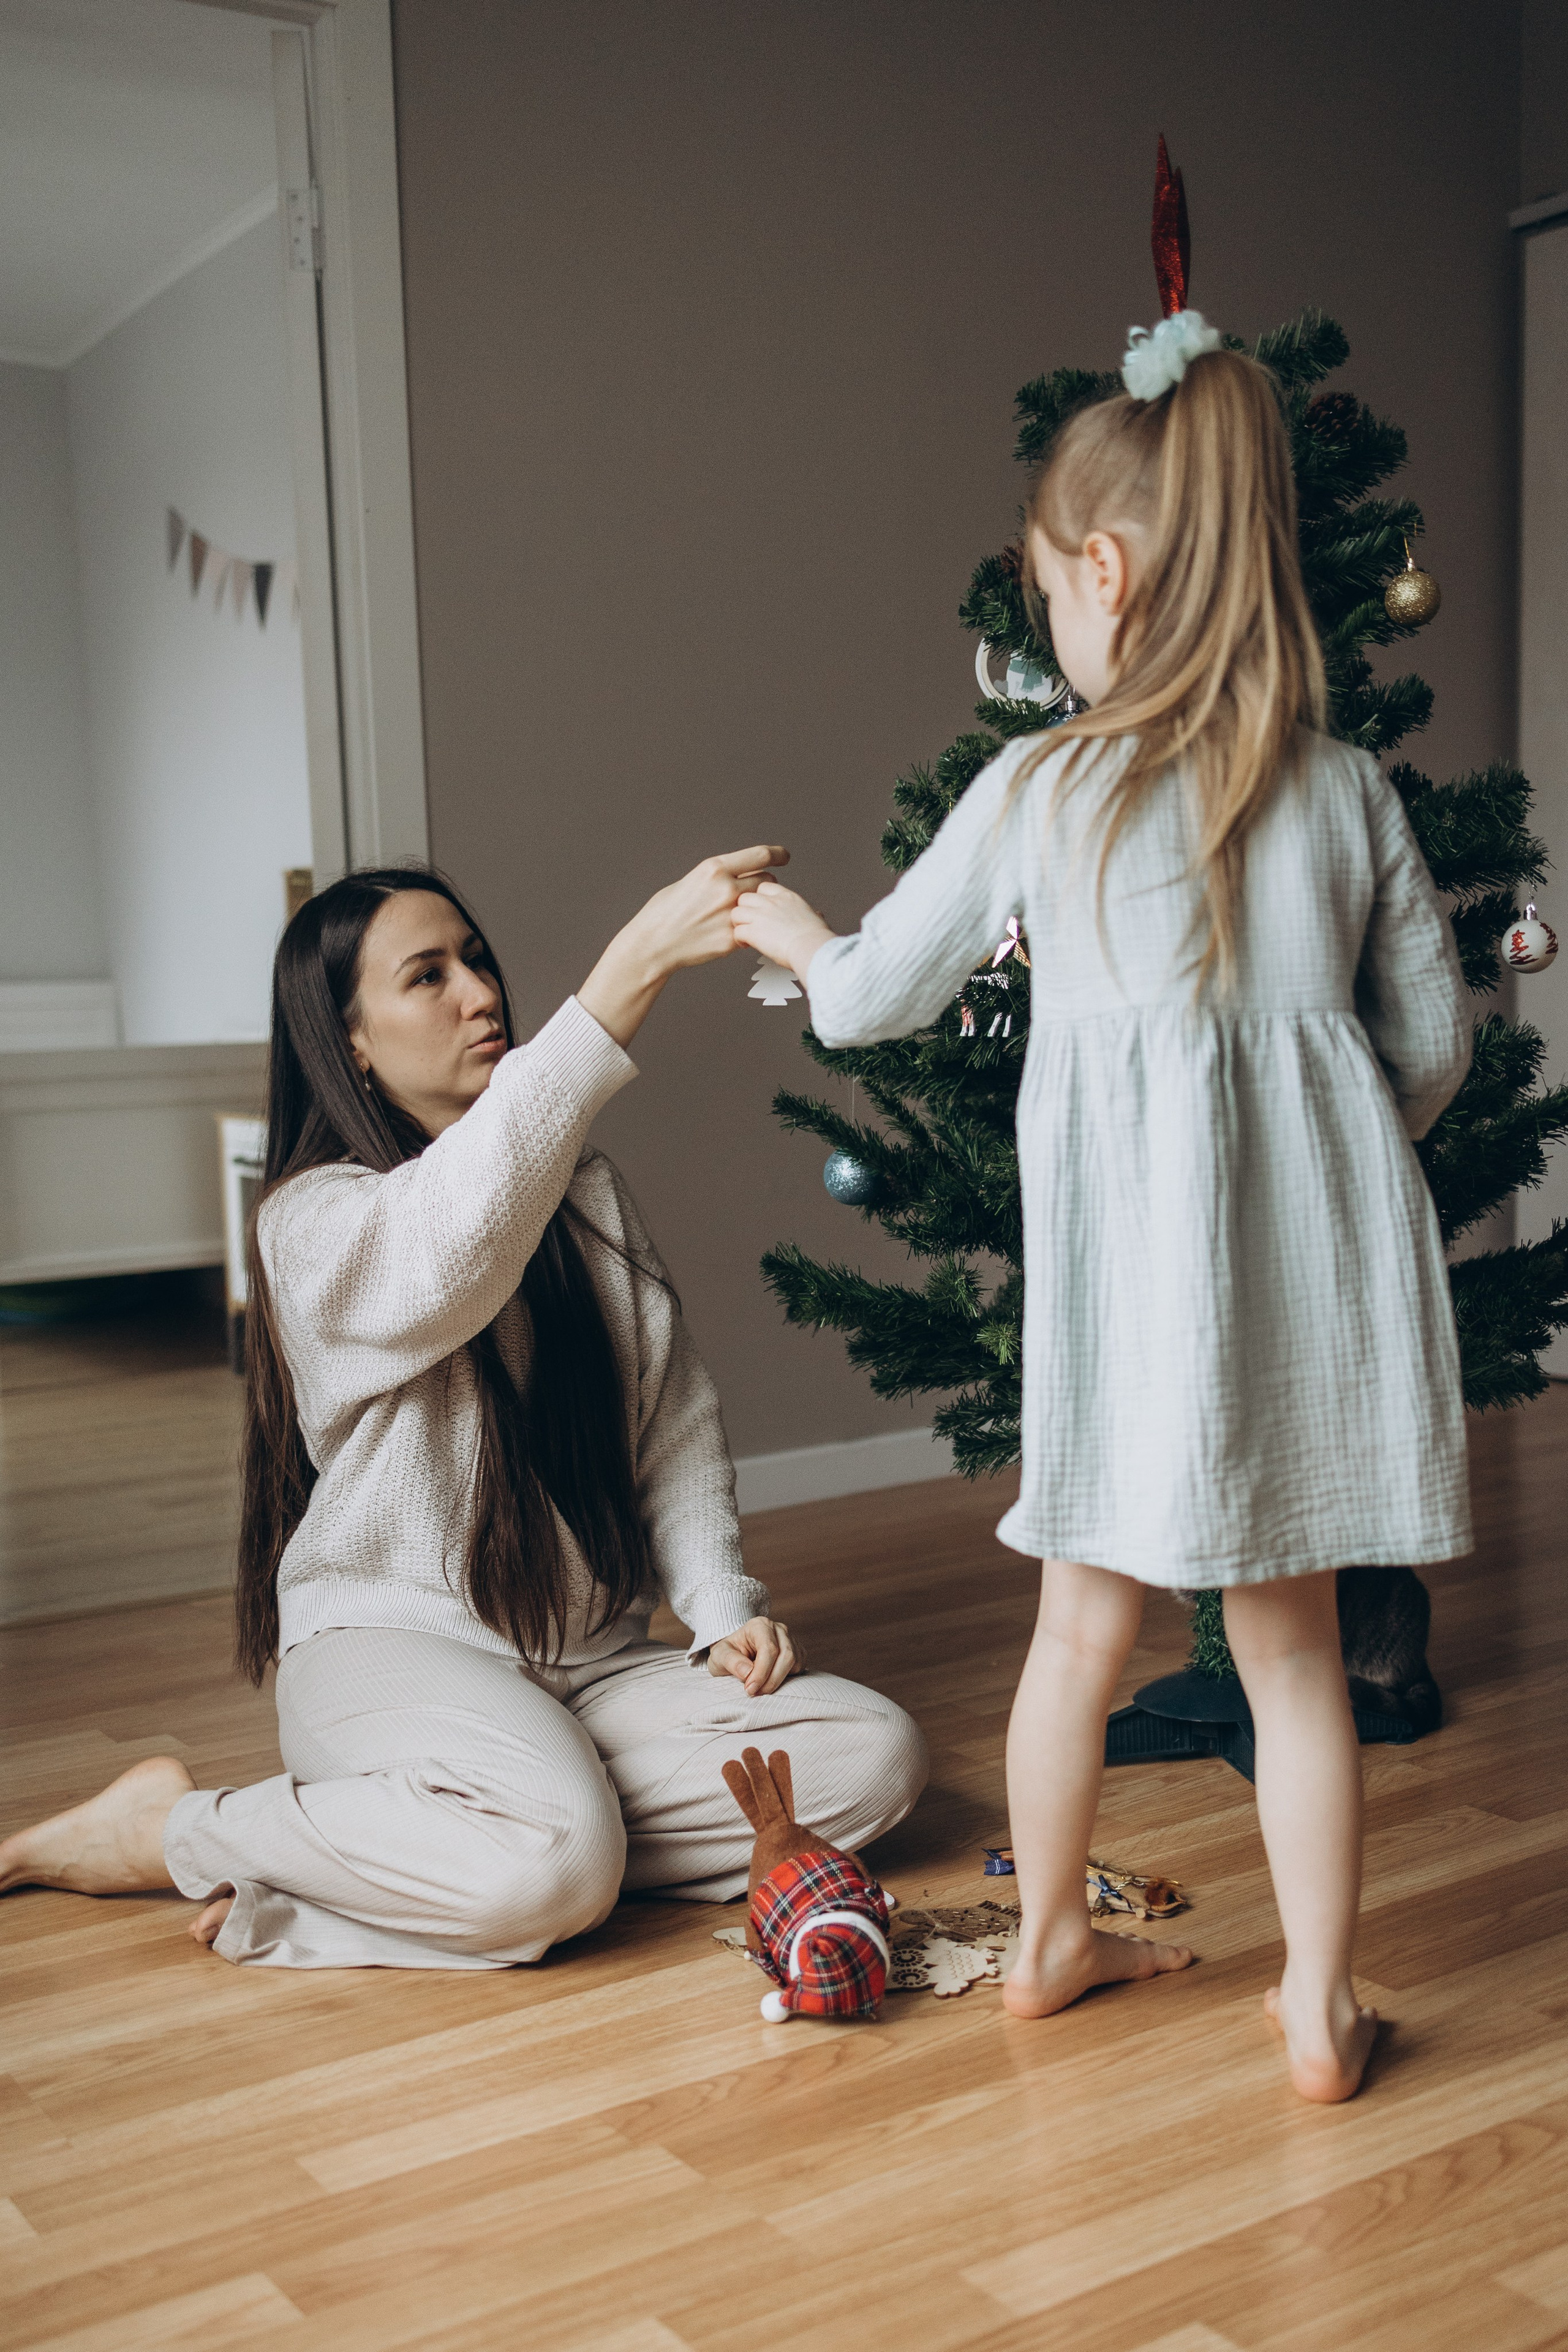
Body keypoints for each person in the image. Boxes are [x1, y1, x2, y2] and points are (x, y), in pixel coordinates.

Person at [734, 315, 1472, 2102]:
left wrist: (788, 938)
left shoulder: (1040, 787)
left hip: (1127, 1304)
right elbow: (1435, 1047)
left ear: (1106, 573)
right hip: (1304, 1302)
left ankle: (1052, 1937)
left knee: (1081, 1630)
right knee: (1292, 1652)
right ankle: (1316, 2005)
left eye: (1042, 595)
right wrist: (1337, 1152)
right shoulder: (1349, 789)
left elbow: (869, 996)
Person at [1, 854, 925, 1967]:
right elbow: (455, 1245)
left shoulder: (585, 1191)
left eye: (477, 962)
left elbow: (671, 1424)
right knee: (558, 1864)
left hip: (582, 1660)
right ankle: (176, 1830)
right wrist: (632, 965)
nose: (482, 995)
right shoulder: (315, 1223)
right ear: (349, 1041)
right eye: (428, 977)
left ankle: (418, 1857)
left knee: (872, 1755)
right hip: (394, 1649)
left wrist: (724, 1610)